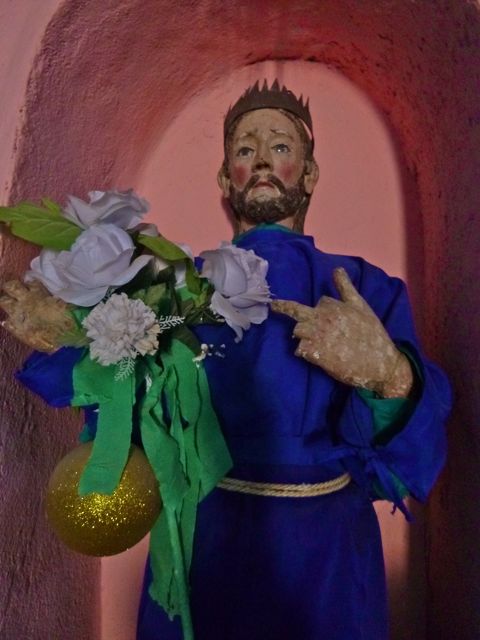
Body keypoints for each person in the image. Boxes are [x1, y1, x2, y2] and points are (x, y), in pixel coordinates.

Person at [136, 80, 451, 639]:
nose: (260, 160)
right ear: (222, 178)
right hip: (206, 540)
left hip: (328, 551)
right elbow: (130, 421)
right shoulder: (178, 290)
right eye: (244, 148)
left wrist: (389, 374)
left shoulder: (363, 287)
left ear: (309, 175)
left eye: (280, 147)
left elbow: (414, 450)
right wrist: (81, 337)